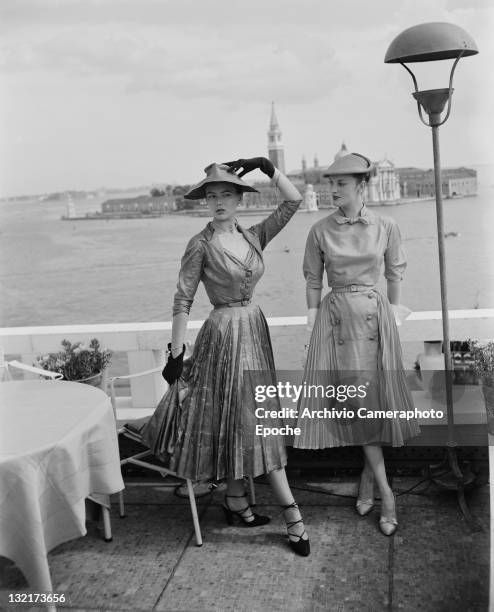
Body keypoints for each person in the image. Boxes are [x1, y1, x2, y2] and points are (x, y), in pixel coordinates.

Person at [142, 158, 310, 556]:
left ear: (238, 199)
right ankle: (294, 518)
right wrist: (176, 352)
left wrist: (267, 168)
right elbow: (182, 300)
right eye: (211, 195)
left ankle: (236, 501)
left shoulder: (253, 236)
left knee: (244, 418)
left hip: (254, 330)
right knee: (254, 422)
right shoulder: (200, 244)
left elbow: (293, 201)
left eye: (225, 194)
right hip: (223, 338)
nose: (217, 201)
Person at [294, 152, 419, 536]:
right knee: (356, 403)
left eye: (341, 183)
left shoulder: (387, 225)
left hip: (376, 317)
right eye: (331, 183)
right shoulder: (319, 230)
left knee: (374, 402)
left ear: (361, 186)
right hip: (335, 321)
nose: (333, 189)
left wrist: (394, 312)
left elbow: (396, 271)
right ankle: (385, 490)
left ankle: (375, 486)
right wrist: (313, 318)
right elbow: (313, 280)